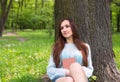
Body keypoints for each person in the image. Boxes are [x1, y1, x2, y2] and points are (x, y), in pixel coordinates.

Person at [47, 18, 94, 82]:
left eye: (67, 26)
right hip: (62, 78)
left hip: (80, 77)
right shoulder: (56, 47)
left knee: (75, 66)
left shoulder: (85, 46)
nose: (64, 30)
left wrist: (77, 70)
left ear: (73, 28)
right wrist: (67, 72)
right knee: (69, 80)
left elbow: (89, 69)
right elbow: (50, 70)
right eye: (62, 28)